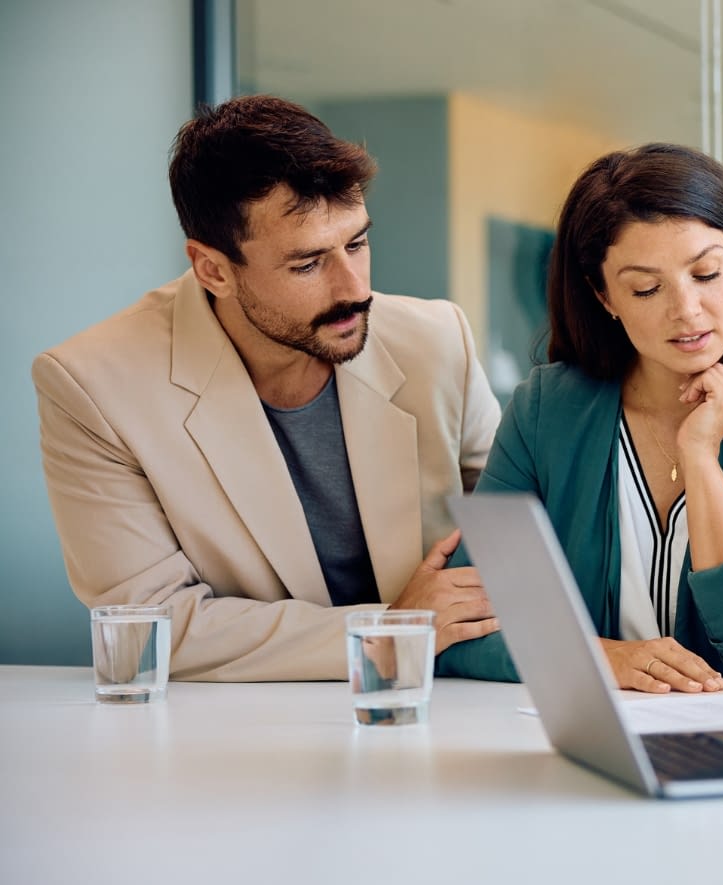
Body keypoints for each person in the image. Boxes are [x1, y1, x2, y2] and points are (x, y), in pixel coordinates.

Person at [34, 96, 502, 682]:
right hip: (237, 736)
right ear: (213, 269)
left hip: (449, 706)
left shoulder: (437, 341)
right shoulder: (93, 386)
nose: (354, 289)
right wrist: (395, 627)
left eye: (356, 244)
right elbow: (151, 627)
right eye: (307, 265)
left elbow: (523, 534)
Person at [435, 143, 723, 690]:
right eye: (646, 288)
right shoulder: (545, 410)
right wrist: (601, 658)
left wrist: (701, 459)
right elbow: (460, 631)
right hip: (576, 735)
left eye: (706, 274)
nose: (687, 309)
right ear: (604, 295)